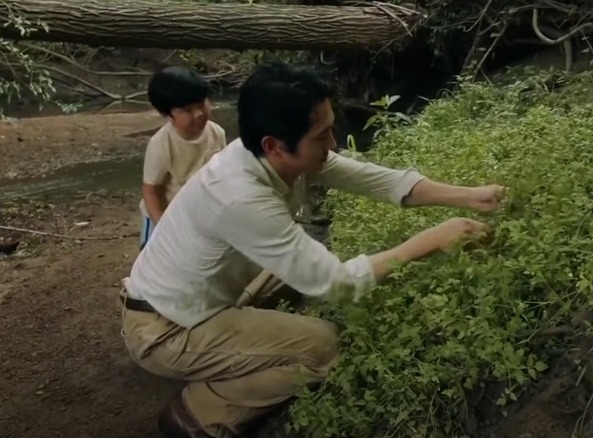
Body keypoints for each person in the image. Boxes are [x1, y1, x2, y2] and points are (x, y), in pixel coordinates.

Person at [119, 61, 506, 438]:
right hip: (165, 330)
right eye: (321, 135)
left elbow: (377, 180)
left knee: (295, 268)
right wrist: (433, 239)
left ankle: (242, 341)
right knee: (323, 347)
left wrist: (470, 197)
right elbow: (336, 284)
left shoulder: (263, 153)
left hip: (196, 296)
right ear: (276, 146)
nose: (332, 143)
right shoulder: (239, 197)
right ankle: (201, 410)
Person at [138, 65, 227, 249]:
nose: (198, 114)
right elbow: (151, 191)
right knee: (156, 254)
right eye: (187, 110)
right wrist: (162, 225)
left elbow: (221, 175)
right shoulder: (162, 144)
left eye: (202, 104)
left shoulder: (216, 133)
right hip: (163, 212)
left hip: (195, 212)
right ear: (168, 114)